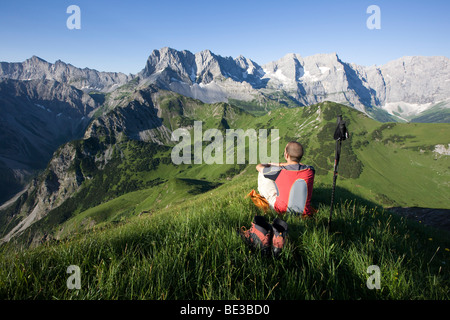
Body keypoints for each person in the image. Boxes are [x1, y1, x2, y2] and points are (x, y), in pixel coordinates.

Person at [256, 141, 315, 217]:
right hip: (302, 210)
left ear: (286, 155)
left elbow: (258, 167)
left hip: (281, 210)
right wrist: (280, 164)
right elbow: (299, 164)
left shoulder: (279, 171)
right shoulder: (310, 170)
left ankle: (264, 196)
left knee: (262, 173)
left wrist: (268, 164)